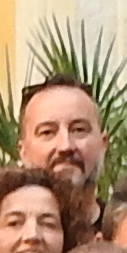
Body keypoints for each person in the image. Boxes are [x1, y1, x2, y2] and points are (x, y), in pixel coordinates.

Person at [17, 71, 107, 207]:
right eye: (47, 132)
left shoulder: (123, 227)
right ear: (23, 152)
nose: (65, 146)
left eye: (79, 130)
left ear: (103, 144)